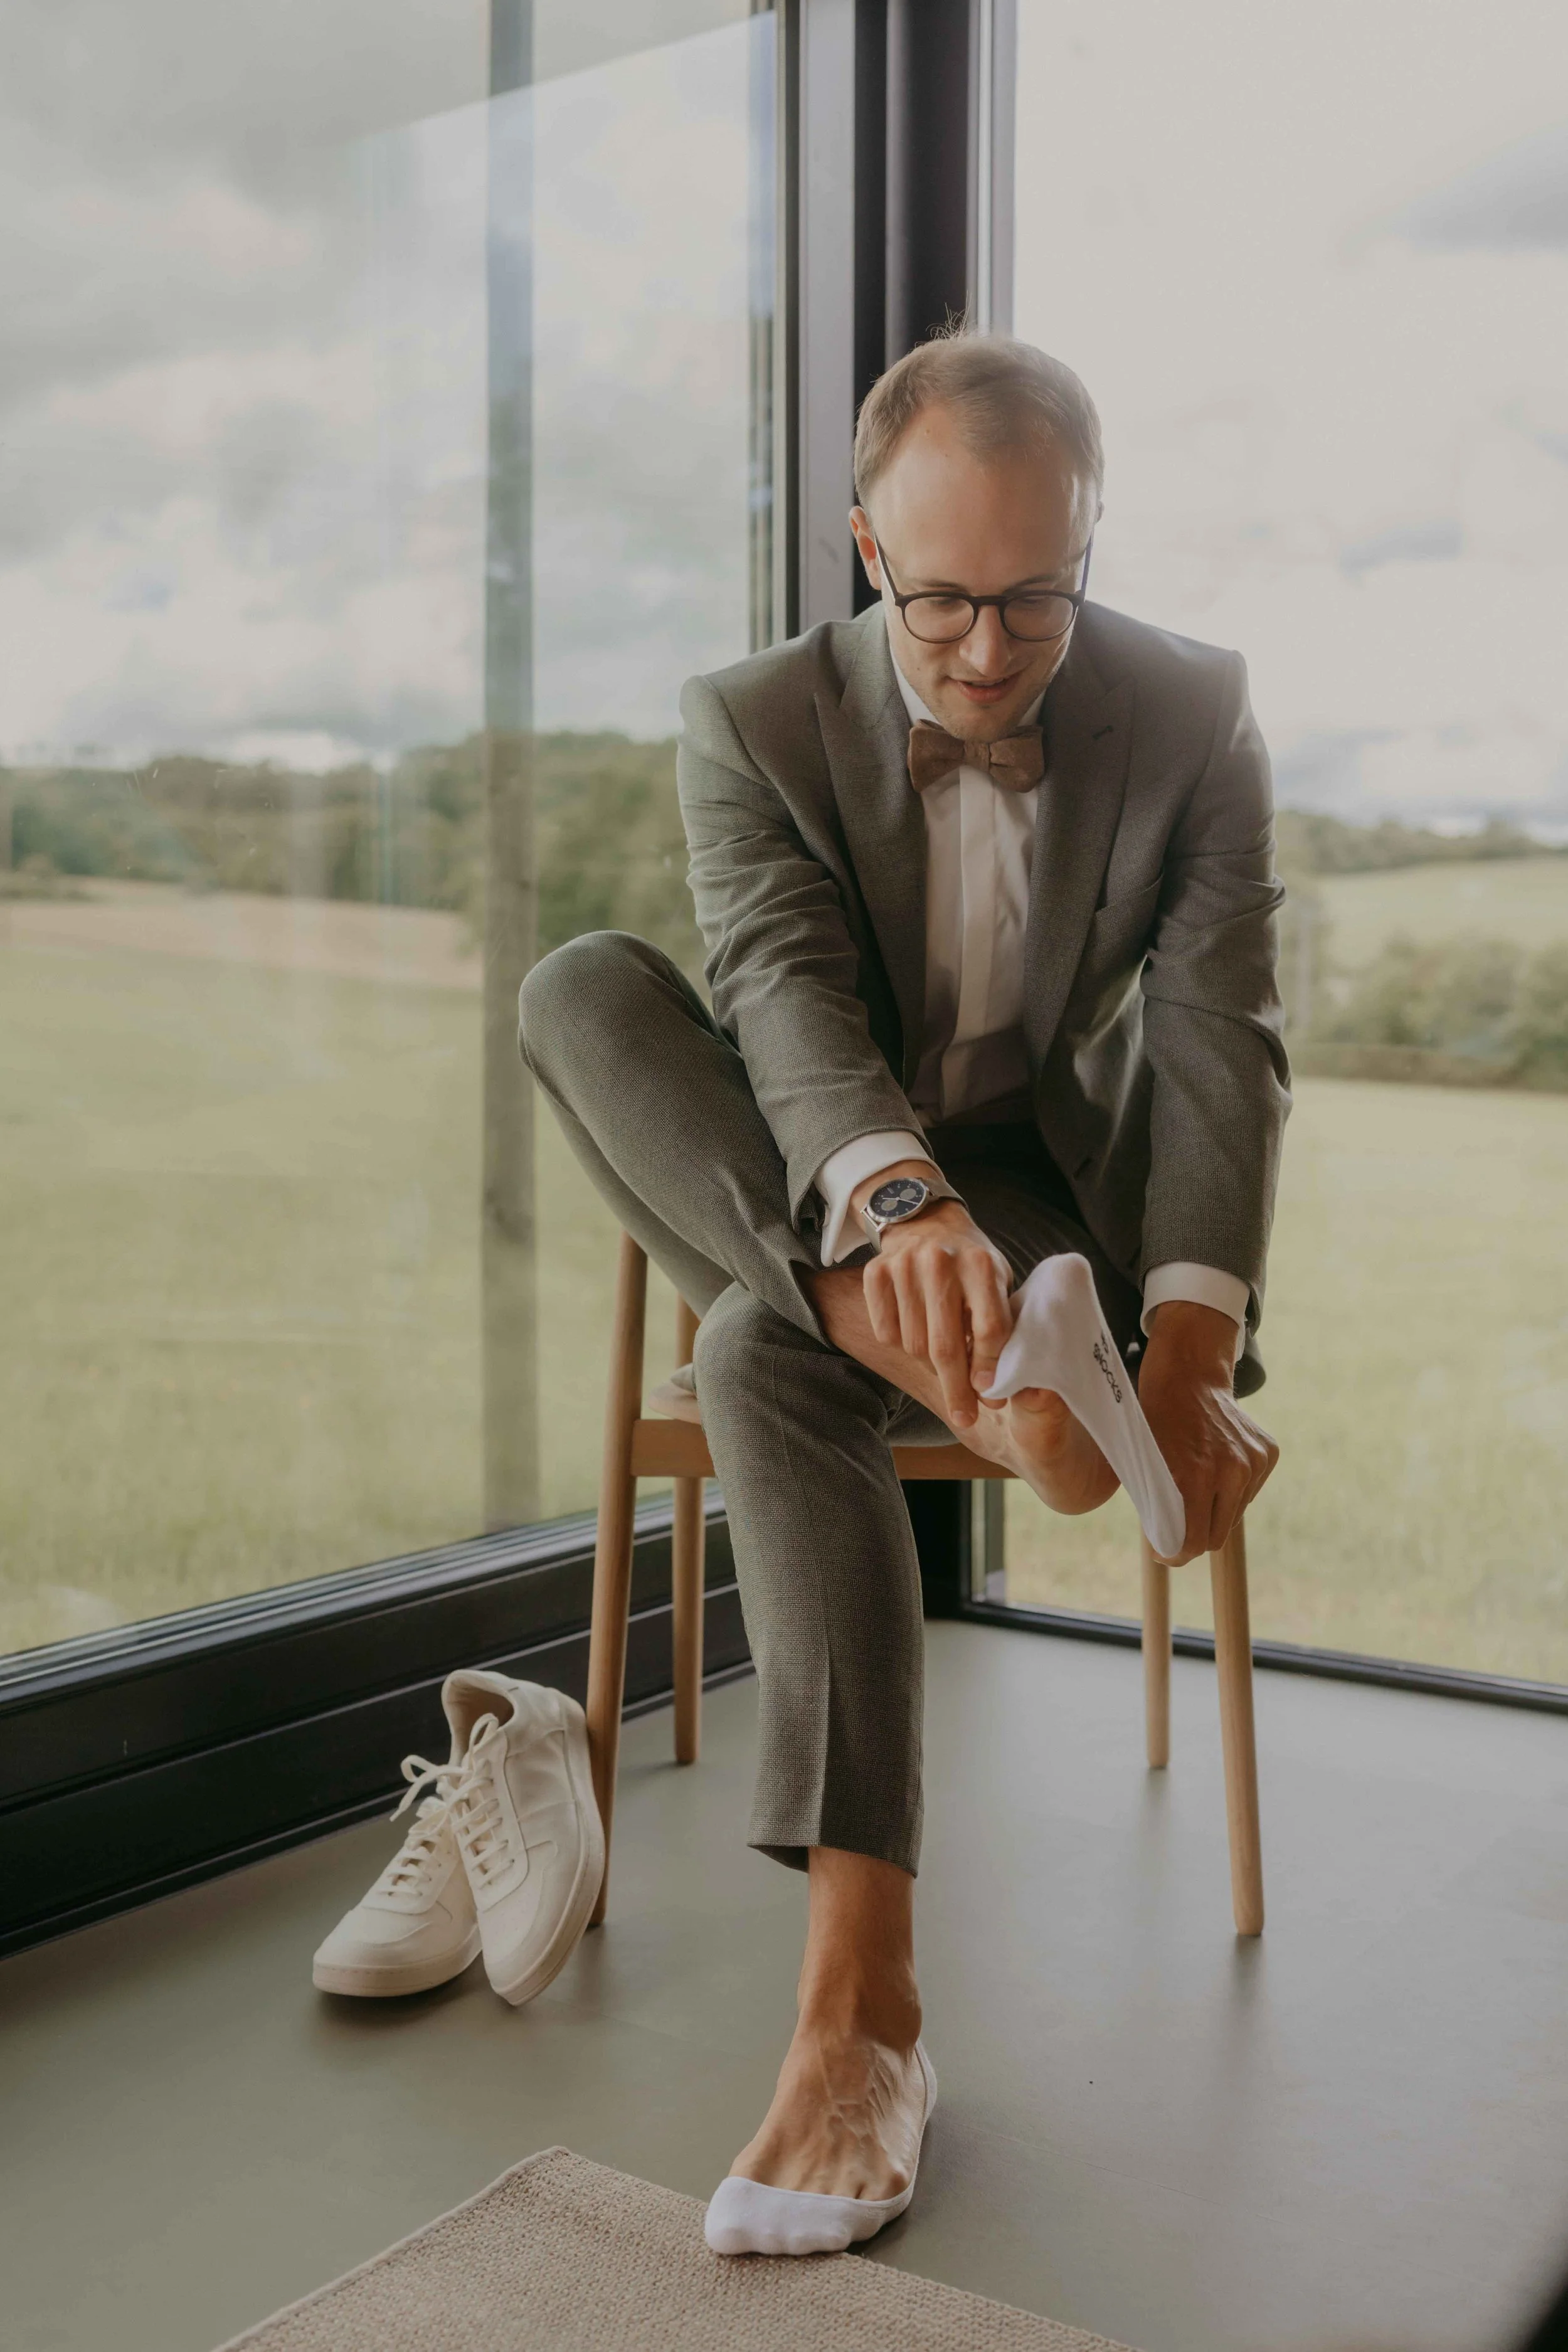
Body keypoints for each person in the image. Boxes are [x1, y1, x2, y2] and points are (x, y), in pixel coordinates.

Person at [517, 329, 1288, 2252]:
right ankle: (997, 1392)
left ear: (1094, 539)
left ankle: (861, 2013)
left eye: (1036, 597)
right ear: (865, 545)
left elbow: (1216, 1038)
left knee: (744, 1351)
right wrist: (884, 1209)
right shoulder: (750, 714)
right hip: (823, 1153)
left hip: (1049, 1192)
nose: (981, 648)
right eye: (938, 596)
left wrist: (1182, 1366)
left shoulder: (1193, 711)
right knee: (577, 992)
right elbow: (772, 990)